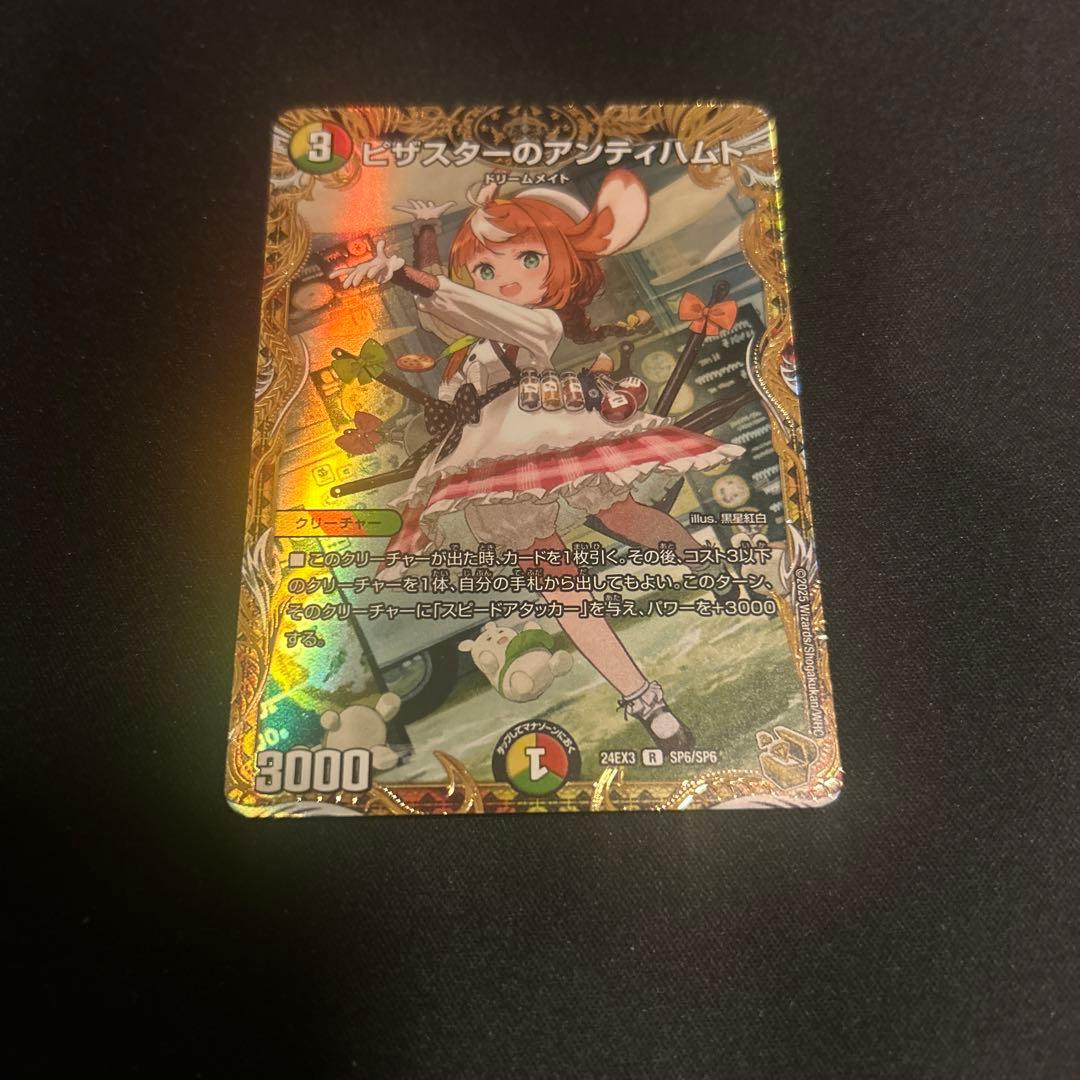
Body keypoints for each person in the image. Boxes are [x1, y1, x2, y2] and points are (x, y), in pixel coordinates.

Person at [332, 170, 745, 751]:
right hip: (489, 460)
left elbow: (468, 306)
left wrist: (403, 271)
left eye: (529, 260)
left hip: (545, 436)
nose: (505, 279)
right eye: (486, 268)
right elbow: (442, 310)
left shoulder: (540, 322)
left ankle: (710, 571)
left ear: (559, 266)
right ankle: (646, 704)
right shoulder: (466, 345)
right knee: (557, 579)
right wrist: (424, 234)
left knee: (623, 515)